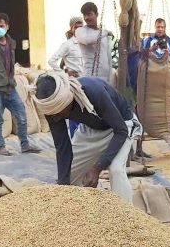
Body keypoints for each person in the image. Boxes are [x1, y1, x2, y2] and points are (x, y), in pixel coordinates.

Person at [33, 71, 136, 202]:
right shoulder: (50, 107)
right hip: (92, 129)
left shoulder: (93, 92)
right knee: (67, 178)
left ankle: (126, 217)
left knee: (115, 169)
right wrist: (62, 189)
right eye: (51, 114)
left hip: (122, 125)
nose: (55, 118)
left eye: (57, 112)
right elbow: (63, 147)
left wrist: (97, 167)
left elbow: (121, 131)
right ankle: (77, 211)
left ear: (66, 100)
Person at [0, 13, 42, 157]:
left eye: (2, 26)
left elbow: (10, 64)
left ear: (7, 27)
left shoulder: (11, 43)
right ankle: (1, 147)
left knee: (21, 115)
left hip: (10, 87)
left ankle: (25, 145)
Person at [76, 2, 114, 82]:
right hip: (90, 78)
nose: (86, 18)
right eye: (84, 15)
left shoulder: (103, 35)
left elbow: (109, 59)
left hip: (105, 80)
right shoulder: (80, 31)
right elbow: (87, 40)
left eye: (89, 14)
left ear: (97, 14)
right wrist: (105, 32)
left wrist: (110, 79)